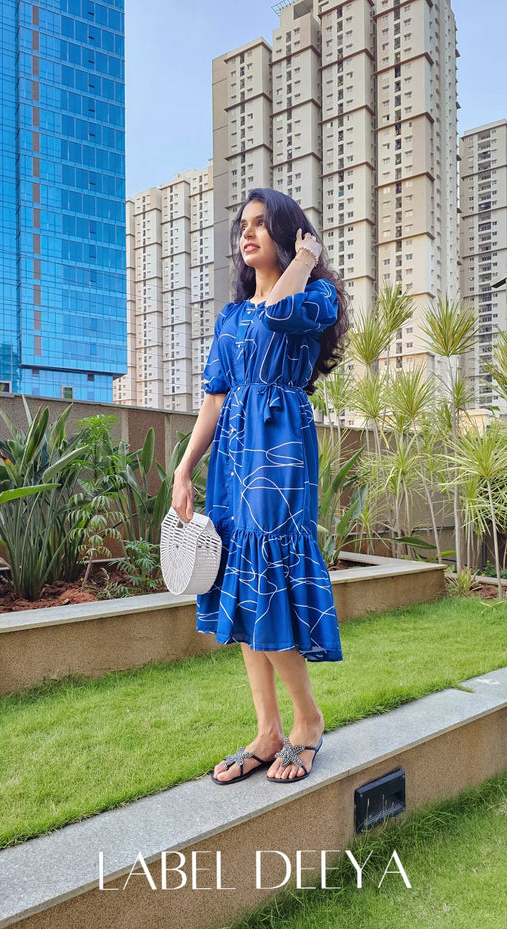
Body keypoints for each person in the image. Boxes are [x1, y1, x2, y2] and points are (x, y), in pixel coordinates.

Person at [172, 187, 349, 784]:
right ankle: (268, 731)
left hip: (280, 450)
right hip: (233, 455)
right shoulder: (229, 317)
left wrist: (304, 259)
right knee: (242, 582)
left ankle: (307, 722)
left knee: (269, 575)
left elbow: (279, 313)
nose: (246, 234)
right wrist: (184, 467)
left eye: (260, 224)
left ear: (289, 233)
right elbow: (215, 399)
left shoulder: (312, 293)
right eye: (241, 226)